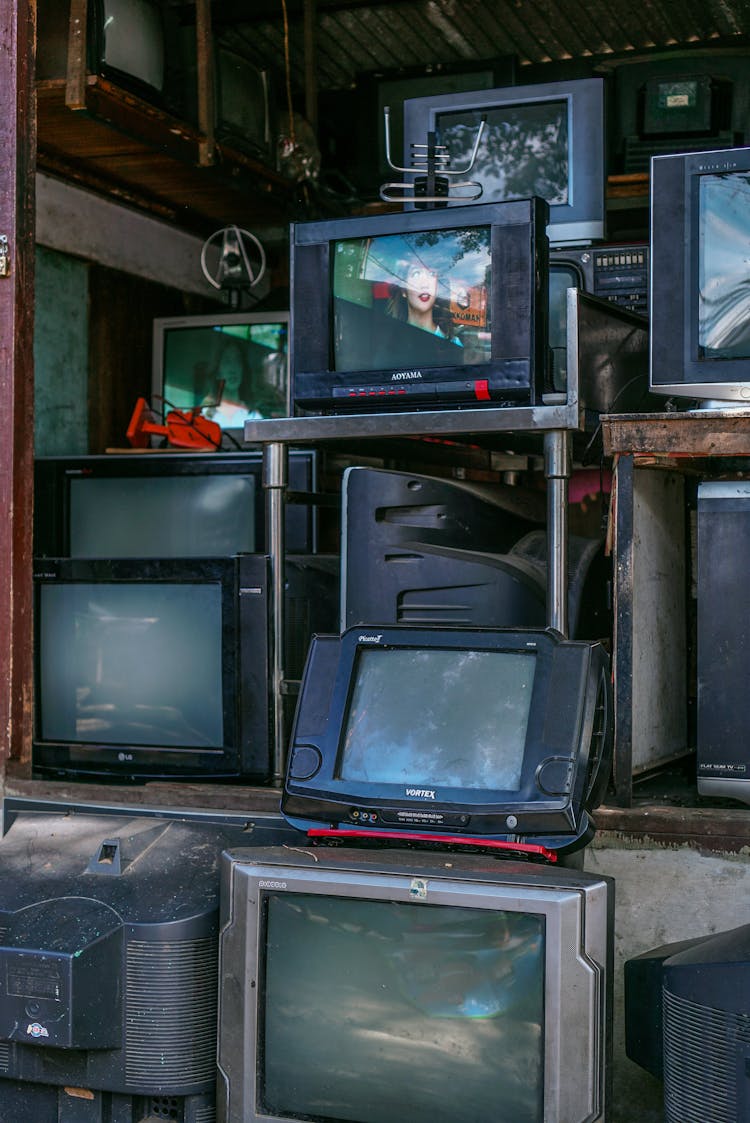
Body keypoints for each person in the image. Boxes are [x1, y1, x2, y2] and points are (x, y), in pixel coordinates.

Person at [201, 335, 284, 427]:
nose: (233, 368)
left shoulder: (254, 417)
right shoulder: (203, 416)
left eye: (237, 361)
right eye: (227, 361)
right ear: (217, 371)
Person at [387, 261, 463, 346]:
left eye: (431, 274)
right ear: (403, 290)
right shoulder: (389, 342)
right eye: (416, 274)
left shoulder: (453, 343)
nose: (425, 284)